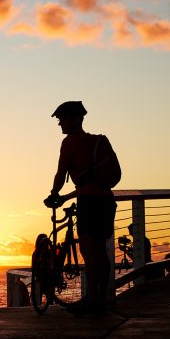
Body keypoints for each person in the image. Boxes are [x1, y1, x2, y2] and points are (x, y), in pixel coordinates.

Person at [44, 101, 118, 314]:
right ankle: (101, 299)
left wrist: (54, 194)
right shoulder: (96, 141)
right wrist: (67, 196)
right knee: (100, 254)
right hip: (105, 201)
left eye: (62, 119)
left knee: (89, 252)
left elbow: (61, 173)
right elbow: (91, 183)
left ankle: (93, 301)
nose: (59, 123)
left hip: (89, 203)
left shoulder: (70, 143)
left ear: (76, 119)